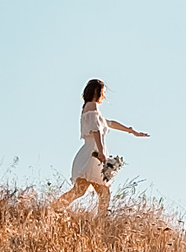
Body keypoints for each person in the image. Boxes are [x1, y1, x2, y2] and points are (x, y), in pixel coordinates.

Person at [48, 78, 149, 220]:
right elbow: (96, 130)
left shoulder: (89, 108)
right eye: (103, 92)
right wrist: (101, 152)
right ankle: (97, 221)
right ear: (98, 92)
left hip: (89, 153)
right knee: (99, 192)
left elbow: (109, 123)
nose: (104, 96)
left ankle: (53, 209)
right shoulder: (93, 107)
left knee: (84, 191)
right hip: (93, 154)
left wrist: (131, 131)